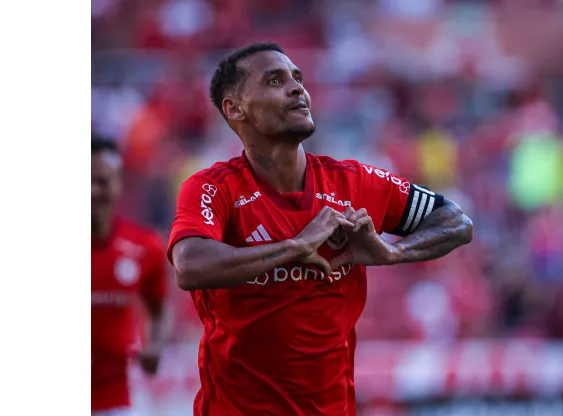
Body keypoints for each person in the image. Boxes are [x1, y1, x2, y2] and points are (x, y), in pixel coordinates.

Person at [168, 42, 474, 416]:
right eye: (275, 80)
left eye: (298, 78)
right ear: (235, 108)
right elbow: (190, 265)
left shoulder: (354, 182)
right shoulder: (213, 188)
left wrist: (395, 252)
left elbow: (456, 222)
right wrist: (296, 246)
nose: (297, 88)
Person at [92, 137, 169, 416]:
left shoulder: (144, 246)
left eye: (101, 181)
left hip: (120, 401)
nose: (92, 191)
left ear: (118, 184)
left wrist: (155, 346)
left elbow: (159, 310)